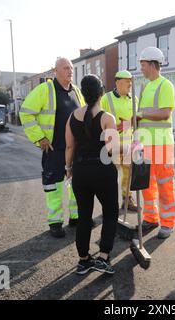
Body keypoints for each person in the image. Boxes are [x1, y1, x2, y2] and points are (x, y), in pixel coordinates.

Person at [65, 74, 138, 275]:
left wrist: (68, 170)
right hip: (102, 171)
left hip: (80, 172)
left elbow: (70, 147)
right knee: (110, 213)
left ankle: (83, 260)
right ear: (100, 93)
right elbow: (112, 149)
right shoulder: (107, 118)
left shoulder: (72, 117)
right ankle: (103, 258)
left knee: (84, 215)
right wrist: (131, 145)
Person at [20, 57, 85, 238]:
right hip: (54, 150)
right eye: (65, 68)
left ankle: (76, 217)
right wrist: (40, 137)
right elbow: (25, 113)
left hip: (74, 149)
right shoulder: (45, 90)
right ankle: (55, 222)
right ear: (55, 71)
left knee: (76, 185)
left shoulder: (77, 92)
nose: (70, 71)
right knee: (54, 187)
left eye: (71, 68)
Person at [135, 47, 175, 239]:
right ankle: (151, 218)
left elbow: (164, 113)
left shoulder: (165, 85)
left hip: (161, 145)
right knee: (146, 184)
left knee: (164, 185)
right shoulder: (145, 87)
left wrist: (141, 114)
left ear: (152, 64)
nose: (141, 69)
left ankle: (167, 223)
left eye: (143, 65)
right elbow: (142, 116)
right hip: (145, 144)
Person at [100, 70, 138, 212]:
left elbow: (135, 120)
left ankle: (127, 200)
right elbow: (99, 120)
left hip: (128, 144)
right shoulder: (106, 98)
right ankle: (109, 205)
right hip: (111, 145)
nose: (130, 83)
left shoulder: (134, 98)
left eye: (131, 81)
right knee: (110, 175)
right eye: (127, 80)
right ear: (118, 82)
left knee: (127, 174)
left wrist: (126, 125)